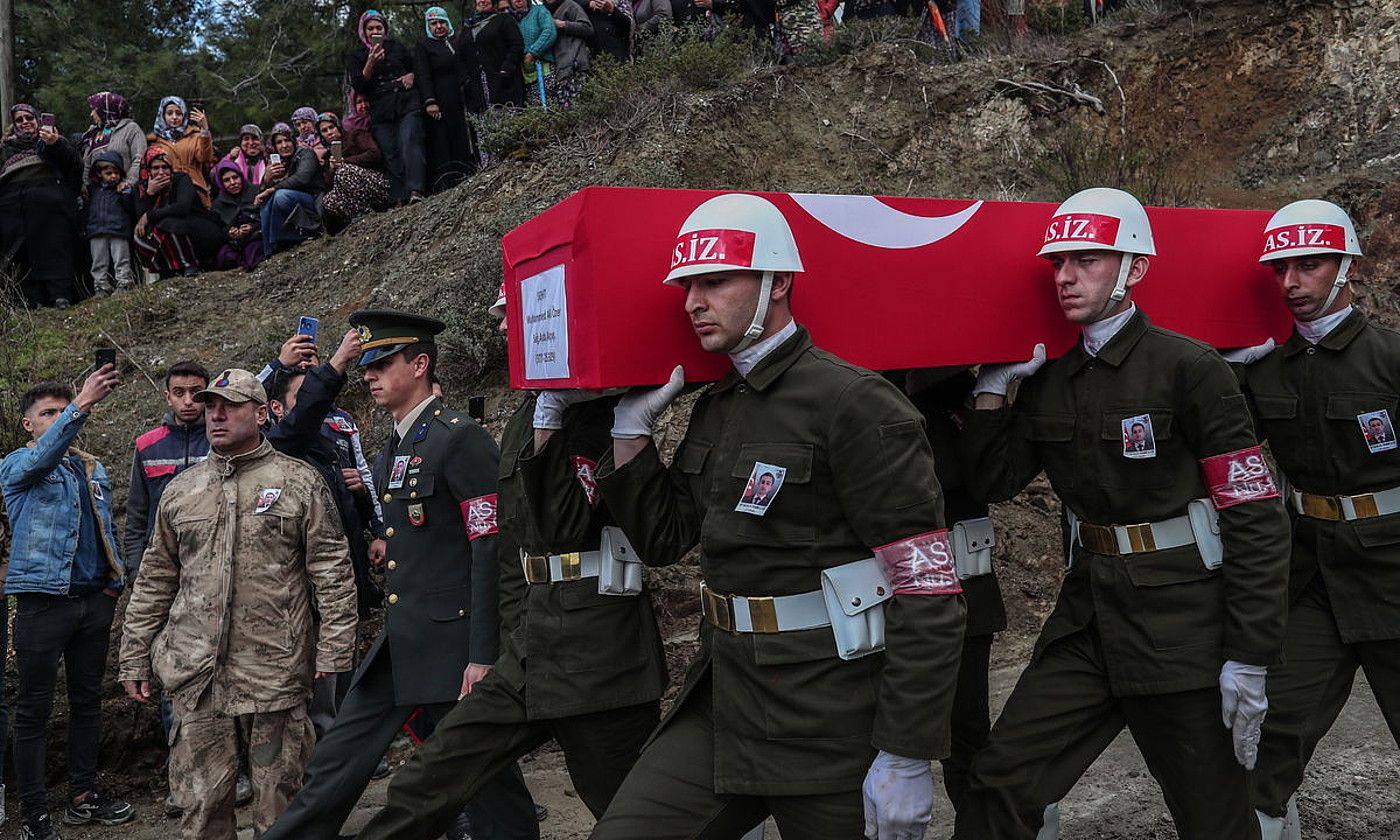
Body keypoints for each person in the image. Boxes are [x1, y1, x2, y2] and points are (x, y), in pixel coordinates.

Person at [577, 193, 965, 839]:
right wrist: (631, 432)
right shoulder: (716, 404)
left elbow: (928, 590)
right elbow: (665, 539)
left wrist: (906, 753)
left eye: (714, 281)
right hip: (723, 698)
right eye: (687, 285)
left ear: (778, 281)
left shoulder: (856, 403)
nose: (693, 301)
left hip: (828, 711)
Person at [950, 187, 1292, 840]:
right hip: (1088, 619)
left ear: (1135, 268)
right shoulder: (1052, 378)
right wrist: (994, 385)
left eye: (1087, 260)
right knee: (1000, 782)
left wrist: (1249, 653)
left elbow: (1254, 515)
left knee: (1213, 816)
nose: (1066, 276)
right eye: (1057, 263)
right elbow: (994, 479)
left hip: (1182, 627)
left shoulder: (1190, 369)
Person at [351, 292, 667, 840]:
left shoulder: (599, 410)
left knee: (623, 808)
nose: (497, 323)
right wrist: (494, 646)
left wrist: (558, 418)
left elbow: (563, 527)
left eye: (511, 311)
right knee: (432, 773)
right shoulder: (529, 412)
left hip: (600, 654)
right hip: (533, 639)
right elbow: (509, 547)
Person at [262, 311, 537, 840]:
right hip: (404, 637)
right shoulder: (395, 447)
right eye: (366, 365)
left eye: (383, 363)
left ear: (421, 363)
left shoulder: (460, 439)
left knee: (483, 777)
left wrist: (484, 653)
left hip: (454, 644)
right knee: (338, 760)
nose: (370, 375)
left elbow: (490, 548)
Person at [1221, 200, 1400, 840]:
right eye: (1281, 269)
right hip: (1313, 576)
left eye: (1310, 265)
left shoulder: (1389, 359)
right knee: (1266, 737)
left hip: (1393, 570)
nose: (1292, 282)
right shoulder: (1265, 369)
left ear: (1346, 265)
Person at [118, 368, 357, 840]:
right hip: (196, 672)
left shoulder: (299, 481)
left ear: (263, 413)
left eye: (231, 404)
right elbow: (155, 580)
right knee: (202, 807)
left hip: (275, 669)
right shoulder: (182, 490)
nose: (217, 414)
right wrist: (133, 655)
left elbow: (333, 571)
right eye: (210, 406)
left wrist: (335, 649)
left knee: (282, 805)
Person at [1, 367, 135, 840]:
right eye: (48, 413)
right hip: (42, 604)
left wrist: (114, 581)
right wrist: (80, 406)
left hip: (92, 602)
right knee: (34, 709)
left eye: (62, 410)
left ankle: (84, 792)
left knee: (88, 701)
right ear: (29, 424)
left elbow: (106, 528)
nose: (58, 418)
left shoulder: (91, 466)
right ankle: (35, 813)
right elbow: (40, 462)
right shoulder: (17, 464)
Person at [902, 368, 1009, 817]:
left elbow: (984, 477)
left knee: (966, 739)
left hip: (963, 591)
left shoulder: (962, 395)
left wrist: (984, 399)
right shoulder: (857, 391)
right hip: (879, 602)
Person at [0, 104, 82, 308]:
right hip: (13, 207)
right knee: (20, 252)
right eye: (19, 120)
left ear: (37, 119)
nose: (25, 122)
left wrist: (54, 144)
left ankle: (60, 294)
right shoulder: (5, 148)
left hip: (49, 206)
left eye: (29, 117)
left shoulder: (52, 141)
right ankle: (29, 298)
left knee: (54, 247)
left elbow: (74, 166)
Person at [347, 9, 427, 204]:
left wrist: (411, 75)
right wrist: (370, 63)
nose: (375, 32)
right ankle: (398, 197)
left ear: (385, 30)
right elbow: (358, 85)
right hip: (380, 107)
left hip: (405, 100)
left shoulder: (397, 47)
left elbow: (416, 66)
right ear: (364, 31)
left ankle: (416, 189)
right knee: (390, 150)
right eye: (371, 28)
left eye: (379, 28)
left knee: (409, 141)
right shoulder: (357, 56)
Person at [415, 6, 485, 192]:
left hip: (461, 99)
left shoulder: (456, 41)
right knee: (442, 140)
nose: (439, 27)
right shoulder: (424, 46)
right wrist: (430, 101)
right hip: (440, 101)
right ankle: (447, 182)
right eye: (434, 23)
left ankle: (468, 173)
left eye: (442, 22)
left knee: (463, 135)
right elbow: (423, 75)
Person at [132, 147, 223, 278]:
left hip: (198, 228)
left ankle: (190, 265)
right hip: (166, 232)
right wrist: (150, 194)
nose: (161, 172)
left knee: (168, 224)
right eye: (155, 168)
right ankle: (168, 269)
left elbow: (182, 207)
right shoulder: (141, 188)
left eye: (165, 167)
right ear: (148, 170)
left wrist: (149, 215)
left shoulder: (181, 179)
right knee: (140, 237)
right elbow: (141, 221)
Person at [254, 124, 324, 256]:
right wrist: (267, 180)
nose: (284, 145)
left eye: (287, 140)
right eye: (279, 142)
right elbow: (262, 195)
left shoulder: (306, 153)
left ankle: (311, 231)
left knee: (281, 196)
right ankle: (271, 249)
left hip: (314, 200)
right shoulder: (281, 163)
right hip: (296, 199)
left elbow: (302, 178)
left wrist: (272, 189)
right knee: (267, 201)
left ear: (293, 141)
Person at [315, 111, 389, 231]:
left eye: (331, 127)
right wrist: (332, 168)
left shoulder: (356, 135)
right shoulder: (328, 156)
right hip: (354, 200)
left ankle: (368, 213)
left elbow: (374, 154)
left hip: (377, 183)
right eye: (324, 131)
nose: (329, 132)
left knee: (344, 172)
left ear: (338, 126)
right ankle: (359, 217)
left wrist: (345, 161)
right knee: (329, 199)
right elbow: (328, 185)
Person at [84, 151, 137, 297]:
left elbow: (130, 208)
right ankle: (101, 287)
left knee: (121, 259)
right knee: (98, 262)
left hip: (118, 230)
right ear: (99, 173)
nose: (113, 176)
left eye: (116, 173)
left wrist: (126, 193)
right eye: (108, 173)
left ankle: (125, 283)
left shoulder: (123, 190)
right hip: (96, 230)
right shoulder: (93, 190)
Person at [146, 96, 215, 208]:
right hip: (167, 191)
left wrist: (205, 131)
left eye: (178, 113)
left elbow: (205, 158)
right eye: (169, 113)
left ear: (184, 115)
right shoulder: (154, 141)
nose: (174, 117)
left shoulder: (195, 135)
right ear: (162, 115)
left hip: (195, 188)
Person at [78, 92, 145, 192]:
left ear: (106, 110)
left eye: (95, 110)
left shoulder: (131, 129)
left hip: (125, 194)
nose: (91, 114)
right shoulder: (95, 133)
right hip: (98, 194)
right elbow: (86, 165)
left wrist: (128, 183)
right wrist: (85, 189)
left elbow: (139, 158)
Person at [468, 0, 527, 109]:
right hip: (479, 86)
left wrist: (505, 69)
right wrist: (465, 80)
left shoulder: (504, 19)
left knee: (508, 119)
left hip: (504, 83)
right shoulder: (468, 26)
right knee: (487, 121)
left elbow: (517, 45)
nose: (482, 1)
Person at [210, 160, 264, 271]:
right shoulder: (218, 204)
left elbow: (266, 217)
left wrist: (252, 227)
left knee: (253, 252)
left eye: (235, 177)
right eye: (226, 180)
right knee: (224, 255)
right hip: (235, 243)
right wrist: (230, 232)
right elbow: (219, 228)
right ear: (221, 183)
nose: (233, 182)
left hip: (256, 237)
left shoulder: (256, 191)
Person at [543, 0, 593, 107]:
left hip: (576, 66)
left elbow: (587, 28)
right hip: (560, 71)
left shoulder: (570, 5)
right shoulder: (544, 13)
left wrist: (562, 24)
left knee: (582, 108)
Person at [513, 0, 558, 108]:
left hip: (544, 69)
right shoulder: (511, 19)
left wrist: (533, 52)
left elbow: (550, 31)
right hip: (524, 75)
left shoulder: (540, 11)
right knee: (534, 111)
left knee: (549, 108)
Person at [219, 124, 267, 189]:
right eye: (246, 139)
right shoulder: (233, 160)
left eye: (255, 138)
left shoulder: (269, 159)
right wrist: (229, 157)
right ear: (241, 143)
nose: (251, 143)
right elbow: (215, 173)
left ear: (261, 141)